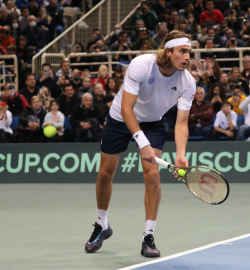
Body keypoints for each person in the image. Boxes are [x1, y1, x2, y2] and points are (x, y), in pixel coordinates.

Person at [85, 31, 196, 257]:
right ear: (169, 51)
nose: (187, 57)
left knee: (152, 175)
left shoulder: (188, 82)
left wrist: (181, 154)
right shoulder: (141, 65)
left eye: (189, 52)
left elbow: (182, 123)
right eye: (183, 51)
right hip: (120, 119)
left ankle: (148, 236)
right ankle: (102, 225)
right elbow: (127, 109)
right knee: (105, 174)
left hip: (154, 124)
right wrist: (141, 142)